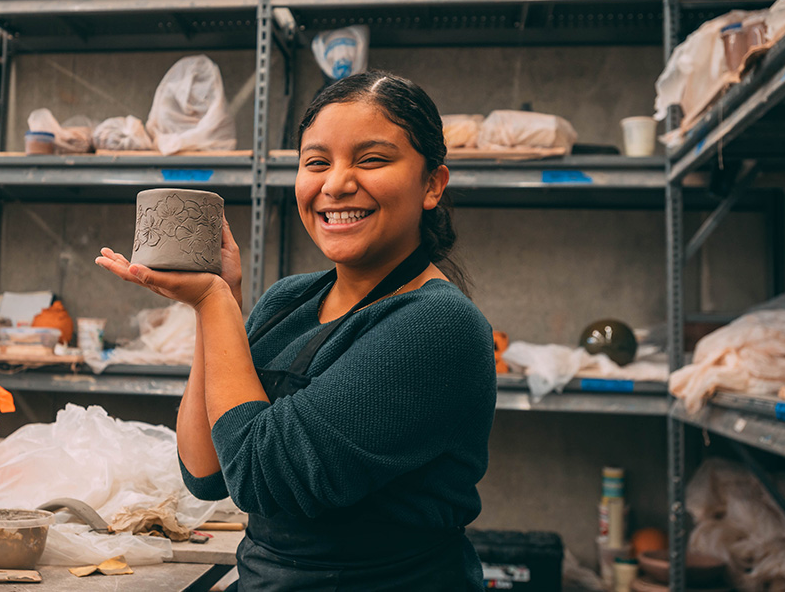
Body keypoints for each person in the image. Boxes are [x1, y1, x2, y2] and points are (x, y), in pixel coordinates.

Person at [96, 71, 496, 591]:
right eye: (316, 162)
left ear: (432, 185)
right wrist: (213, 305)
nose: (335, 184)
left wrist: (216, 304)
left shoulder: (438, 327)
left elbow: (264, 478)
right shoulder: (290, 300)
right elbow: (207, 470)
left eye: (371, 159)